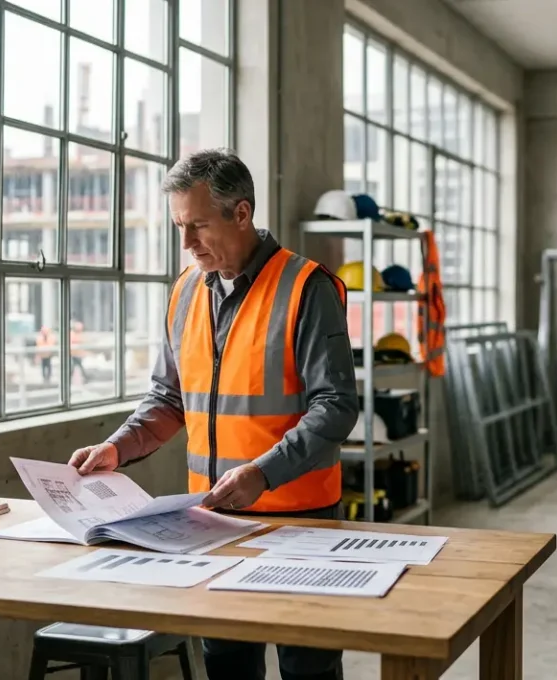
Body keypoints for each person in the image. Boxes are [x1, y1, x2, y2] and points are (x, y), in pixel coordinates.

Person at [67, 148, 358, 680]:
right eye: (179, 226)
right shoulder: (183, 292)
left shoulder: (307, 289)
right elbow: (168, 398)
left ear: (241, 213)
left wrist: (263, 473)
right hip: (211, 522)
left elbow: (336, 406)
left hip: (301, 519)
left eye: (197, 225)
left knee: (307, 666)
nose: (185, 243)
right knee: (227, 664)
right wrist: (118, 447)